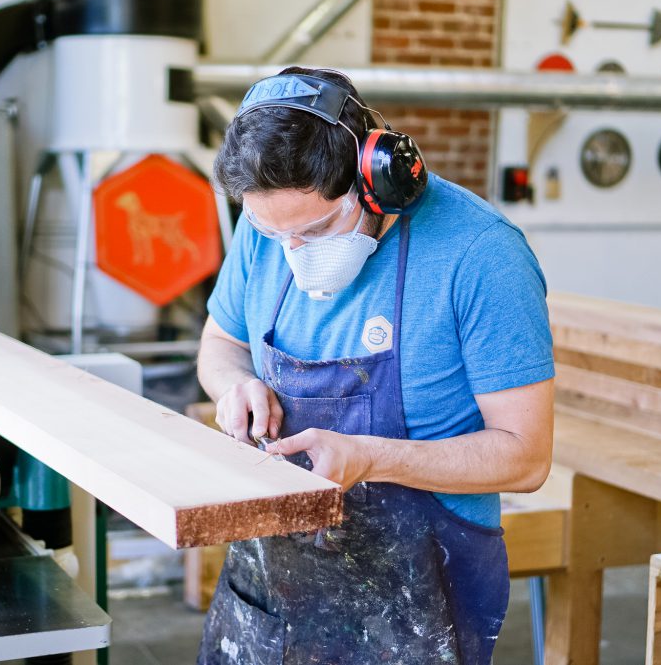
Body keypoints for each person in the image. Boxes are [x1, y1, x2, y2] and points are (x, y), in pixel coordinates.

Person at [195, 66, 554, 665]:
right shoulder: (266, 231)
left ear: (376, 179)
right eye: (273, 233)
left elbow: (527, 456)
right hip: (272, 589)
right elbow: (219, 348)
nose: (295, 253)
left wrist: (373, 458)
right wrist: (235, 385)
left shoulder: (482, 256)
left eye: (316, 228)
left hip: (417, 600)